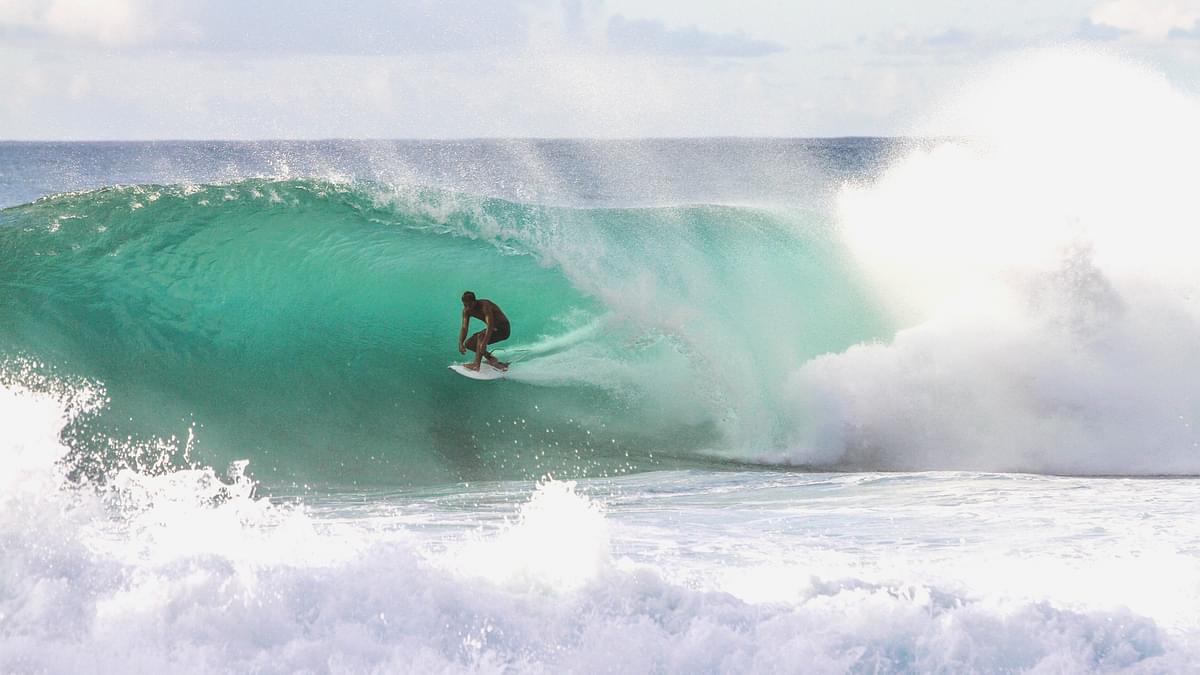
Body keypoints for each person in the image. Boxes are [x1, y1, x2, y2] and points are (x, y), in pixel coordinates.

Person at [457, 291, 510, 371]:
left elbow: (490, 325)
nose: (467, 307)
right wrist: (460, 343)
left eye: (469, 305)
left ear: (474, 301)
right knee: (469, 344)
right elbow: (464, 327)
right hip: (493, 329)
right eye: (465, 305)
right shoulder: (466, 311)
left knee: (481, 336)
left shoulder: (485, 306)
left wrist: (484, 343)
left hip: (503, 329)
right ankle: (491, 358)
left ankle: (476, 365)